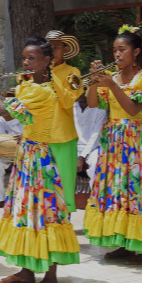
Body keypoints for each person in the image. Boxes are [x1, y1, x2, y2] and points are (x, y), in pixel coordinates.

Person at [0, 37, 79, 283]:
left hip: (40, 158)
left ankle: (51, 276)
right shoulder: (28, 86)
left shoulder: (43, 90)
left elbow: (7, 113)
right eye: (24, 58)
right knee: (25, 212)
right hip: (27, 154)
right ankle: (26, 270)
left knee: (45, 213)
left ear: (47, 61)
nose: (25, 62)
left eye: (32, 58)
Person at [83, 26, 142, 265]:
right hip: (113, 140)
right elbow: (94, 104)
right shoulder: (112, 77)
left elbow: (134, 110)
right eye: (114, 50)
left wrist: (113, 86)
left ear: (136, 52)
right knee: (118, 191)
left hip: (135, 141)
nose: (116, 55)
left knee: (139, 191)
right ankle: (125, 242)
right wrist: (94, 81)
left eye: (121, 50)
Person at [45, 30, 83, 213]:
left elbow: (68, 102)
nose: (53, 51)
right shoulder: (36, 72)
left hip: (64, 135)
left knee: (65, 181)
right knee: (44, 181)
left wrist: (51, 77)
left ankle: (65, 219)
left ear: (65, 49)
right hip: (41, 135)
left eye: (56, 47)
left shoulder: (73, 72)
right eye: (49, 48)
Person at [0, 116, 23, 209]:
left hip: (28, 150)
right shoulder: (3, 118)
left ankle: (23, 198)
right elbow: (1, 138)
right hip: (8, 152)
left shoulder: (29, 113)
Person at [73, 93, 107, 181]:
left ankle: (94, 193)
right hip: (73, 148)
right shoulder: (71, 107)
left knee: (96, 162)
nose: (81, 94)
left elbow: (96, 136)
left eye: (84, 90)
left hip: (93, 149)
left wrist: (82, 156)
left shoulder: (100, 109)